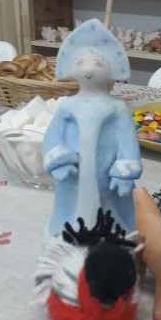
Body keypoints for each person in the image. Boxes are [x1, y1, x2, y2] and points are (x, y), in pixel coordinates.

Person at [43, 19, 142, 237]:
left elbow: (128, 141)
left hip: (108, 175)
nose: (88, 69)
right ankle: (69, 227)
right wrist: (58, 160)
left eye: (98, 63)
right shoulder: (68, 106)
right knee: (72, 202)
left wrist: (125, 172)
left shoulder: (117, 108)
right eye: (80, 62)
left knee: (111, 206)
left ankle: (114, 232)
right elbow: (53, 135)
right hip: (74, 173)